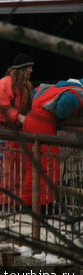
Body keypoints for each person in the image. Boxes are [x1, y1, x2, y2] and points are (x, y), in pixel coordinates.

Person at [21, 78, 83, 214]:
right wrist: (66, 117)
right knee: (49, 166)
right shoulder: (78, 92)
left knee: (33, 165)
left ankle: (27, 203)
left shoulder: (56, 86)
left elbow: (35, 91)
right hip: (43, 123)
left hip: (31, 120)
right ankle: (43, 205)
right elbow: (62, 108)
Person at [0, 53, 34, 208]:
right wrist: (18, 117)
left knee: (19, 165)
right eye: (28, 67)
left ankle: (17, 199)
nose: (31, 70)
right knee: (7, 166)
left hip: (18, 131)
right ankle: (5, 201)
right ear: (21, 69)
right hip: (6, 130)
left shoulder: (24, 85)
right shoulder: (6, 84)